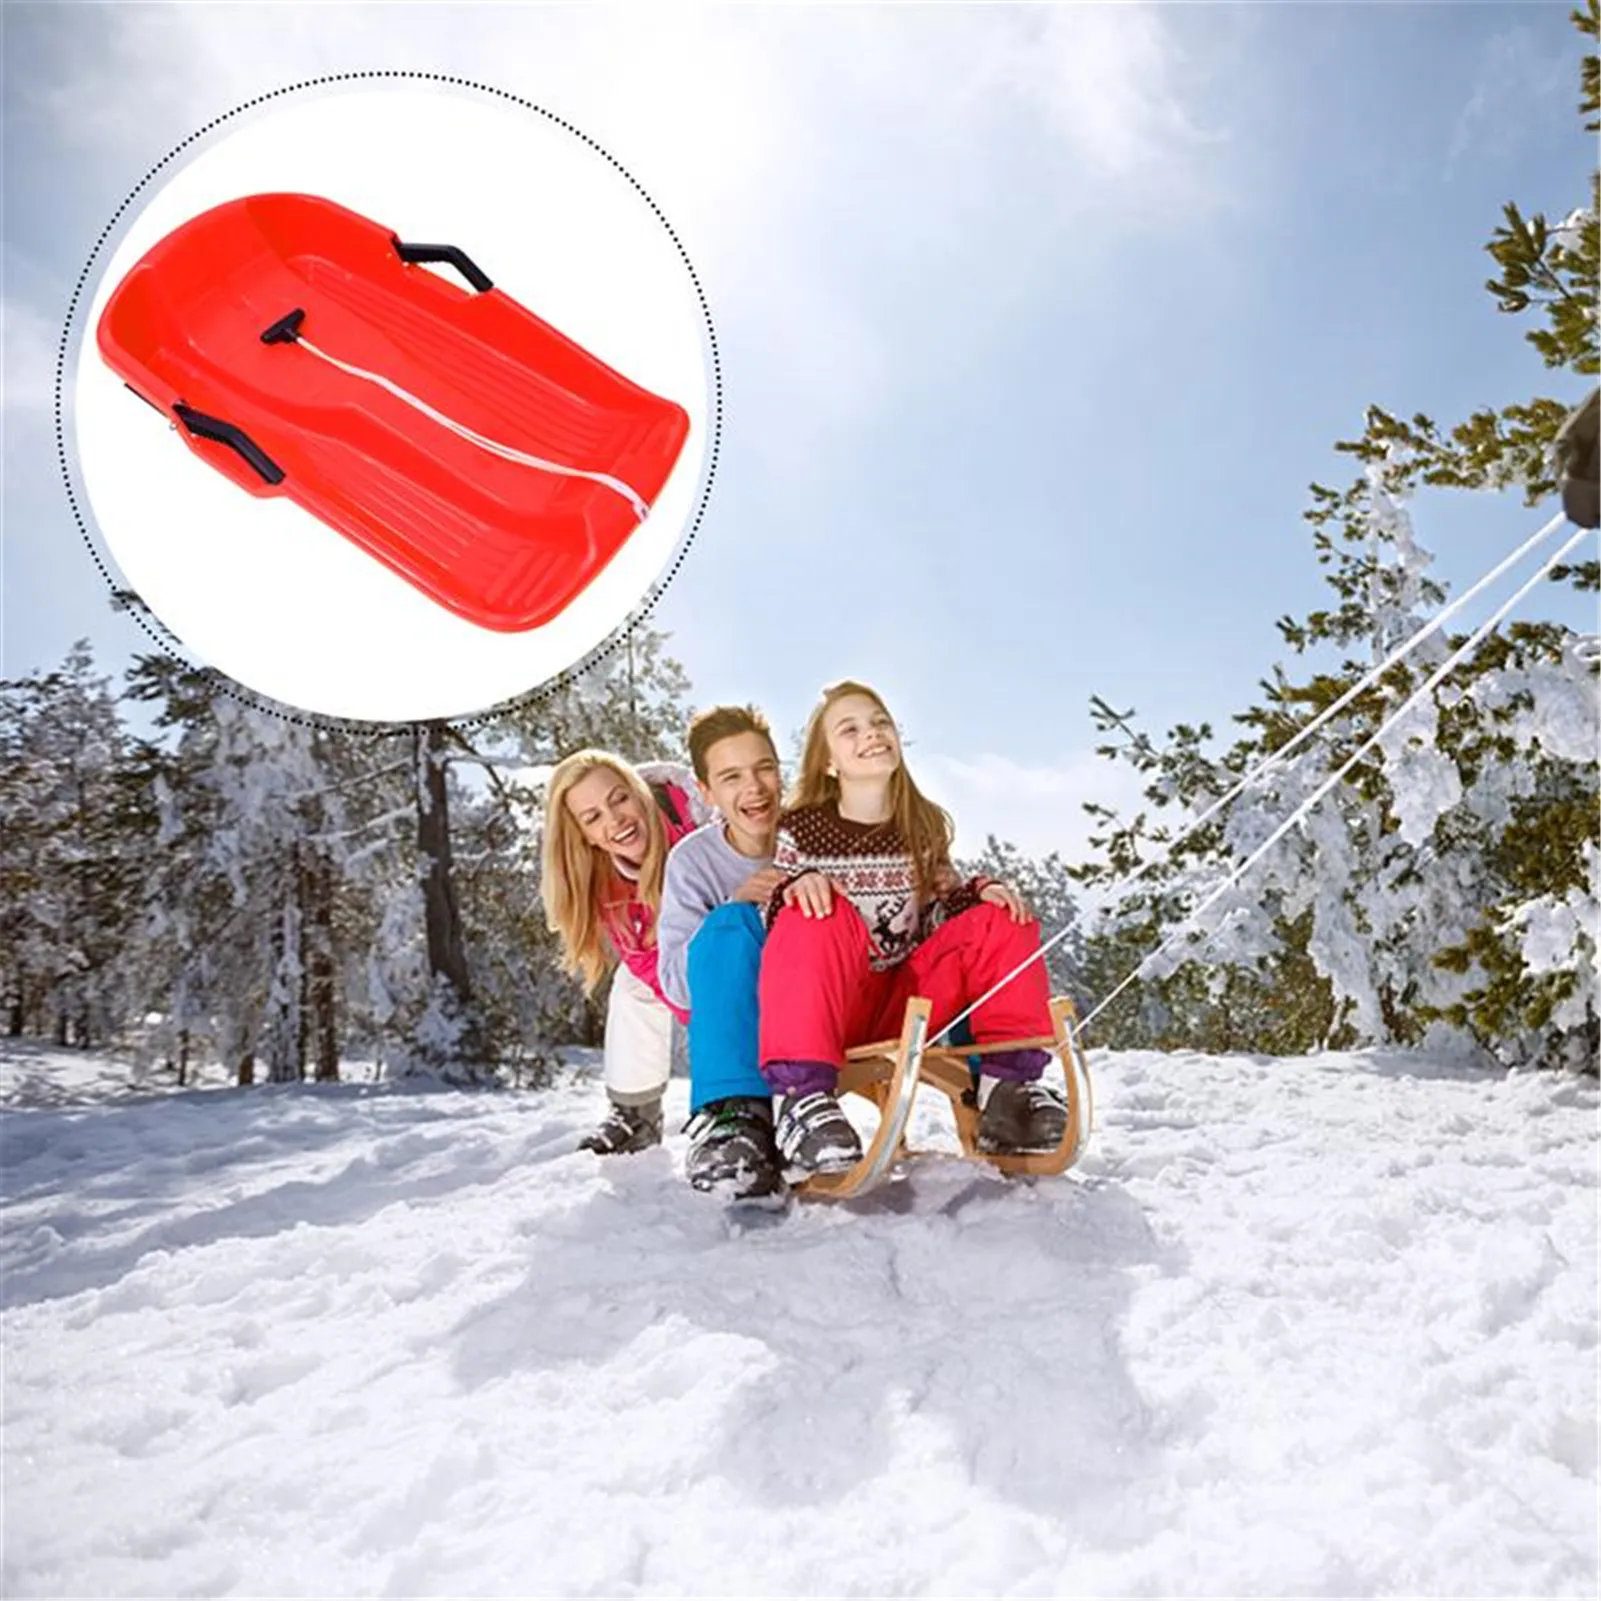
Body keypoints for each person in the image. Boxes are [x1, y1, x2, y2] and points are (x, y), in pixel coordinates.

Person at [757, 679, 1068, 1175]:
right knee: (812, 909)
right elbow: (780, 933)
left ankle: (1006, 1094)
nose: (871, 733)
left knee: (1003, 918)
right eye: (850, 729)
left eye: (880, 722)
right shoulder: (801, 828)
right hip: (834, 1006)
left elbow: (938, 915)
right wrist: (797, 885)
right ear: (829, 762)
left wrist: (976, 895)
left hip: (908, 1005)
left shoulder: (920, 826)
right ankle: (803, 1101)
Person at [541, 749, 707, 1154]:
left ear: (639, 791)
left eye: (619, 798)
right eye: (593, 817)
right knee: (633, 983)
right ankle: (636, 1114)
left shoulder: (698, 820)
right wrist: (702, 1014)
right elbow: (647, 963)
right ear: (584, 835)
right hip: (693, 972)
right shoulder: (606, 883)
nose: (615, 820)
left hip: (751, 950)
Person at [656, 705, 787, 1201]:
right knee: (730, 925)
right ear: (707, 792)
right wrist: (732, 910)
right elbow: (676, 984)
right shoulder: (693, 862)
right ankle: (736, 1117)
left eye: (764, 768)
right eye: (731, 777)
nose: (754, 788)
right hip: (744, 1025)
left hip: (823, 1005)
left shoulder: (813, 836)